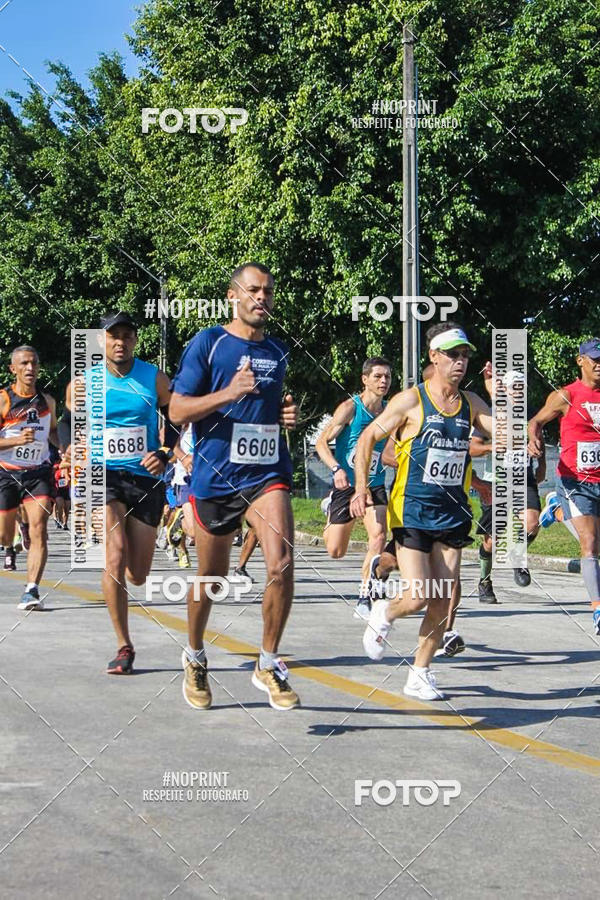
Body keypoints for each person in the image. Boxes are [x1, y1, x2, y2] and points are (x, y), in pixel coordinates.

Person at [170, 262, 299, 710]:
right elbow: (178, 410)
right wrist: (228, 392)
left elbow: (265, 409)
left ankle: (267, 663)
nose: (261, 298)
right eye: (252, 290)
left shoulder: (279, 351)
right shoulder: (209, 343)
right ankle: (194, 654)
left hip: (267, 473)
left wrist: (285, 416)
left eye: (267, 291)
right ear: (232, 296)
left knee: (281, 563)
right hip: (216, 476)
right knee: (212, 579)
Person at [351, 323, 493, 700]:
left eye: (464, 356)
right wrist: (362, 488)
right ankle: (383, 612)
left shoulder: (472, 403)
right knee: (416, 596)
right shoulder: (411, 400)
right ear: (434, 357)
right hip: (412, 510)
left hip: (452, 513)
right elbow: (368, 437)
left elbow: (507, 435)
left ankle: (420, 673)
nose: (460, 362)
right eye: (452, 355)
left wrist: (500, 398)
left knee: (443, 600)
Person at [62, 311, 177, 672]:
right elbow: (66, 421)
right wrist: (69, 447)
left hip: (144, 478)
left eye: (127, 335)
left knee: (137, 573)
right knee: (114, 554)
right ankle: (124, 645)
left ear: (134, 341)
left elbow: (176, 418)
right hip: (102, 475)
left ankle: (129, 576)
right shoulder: (85, 382)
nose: (120, 342)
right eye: (113, 335)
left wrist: (164, 452)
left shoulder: (154, 378)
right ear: (101, 341)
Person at [529, 338, 600, 634]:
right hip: (575, 481)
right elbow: (536, 421)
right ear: (580, 361)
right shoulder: (566, 395)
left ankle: (557, 511)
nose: (599, 364)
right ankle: (598, 609)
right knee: (590, 544)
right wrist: (534, 437)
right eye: (594, 358)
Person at [315, 358, 392, 619]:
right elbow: (321, 443)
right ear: (365, 379)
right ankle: (330, 508)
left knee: (379, 536)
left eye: (388, 377)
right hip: (346, 485)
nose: (384, 382)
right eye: (378, 376)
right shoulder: (350, 408)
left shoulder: (391, 412)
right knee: (336, 551)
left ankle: (365, 595)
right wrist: (336, 470)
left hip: (375, 484)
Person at [471, 365, 545, 602]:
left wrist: (540, 462)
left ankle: (516, 554)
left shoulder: (531, 415)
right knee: (492, 540)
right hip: (497, 483)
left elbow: (538, 439)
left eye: (521, 386)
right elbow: (473, 447)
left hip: (524, 479)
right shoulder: (490, 414)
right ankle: (484, 582)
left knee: (533, 523)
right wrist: (493, 447)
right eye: (514, 387)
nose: (518, 391)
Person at [0, 345, 59, 609]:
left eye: (34, 363)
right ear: (13, 369)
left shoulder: (47, 402)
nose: (30, 369)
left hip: (38, 473)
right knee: (3, 535)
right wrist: (12, 441)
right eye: (24, 364)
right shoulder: (3, 400)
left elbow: (54, 433)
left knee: (40, 529)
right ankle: (14, 535)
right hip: (6, 473)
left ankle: (32, 589)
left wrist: (69, 449)